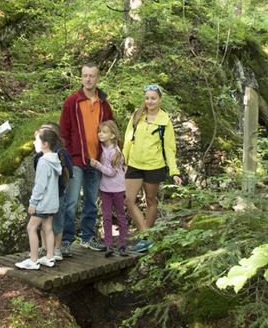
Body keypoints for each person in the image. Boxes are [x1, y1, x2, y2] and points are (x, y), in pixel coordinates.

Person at [60, 63, 113, 252]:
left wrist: (113, 156)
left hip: (96, 161)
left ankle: (87, 237)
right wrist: (64, 157)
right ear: (81, 77)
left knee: (91, 201)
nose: (88, 79)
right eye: (85, 76)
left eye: (92, 76)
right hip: (75, 160)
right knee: (71, 201)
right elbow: (63, 132)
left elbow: (111, 129)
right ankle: (65, 240)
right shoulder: (72, 102)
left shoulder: (104, 103)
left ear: (97, 78)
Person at [123, 84, 182, 253]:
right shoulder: (137, 115)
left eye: (153, 98)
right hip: (134, 164)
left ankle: (145, 238)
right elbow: (128, 139)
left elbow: (170, 148)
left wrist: (174, 171)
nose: (149, 101)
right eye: (147, 98)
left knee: (150, 200)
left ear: (159, 100)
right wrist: (123, 160)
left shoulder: (165, 121)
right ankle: (147, 235)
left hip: (155, 166)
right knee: (129, 200)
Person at [15, 126, 62, 271]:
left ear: (45, 143)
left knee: (31, 227)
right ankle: (49, 257)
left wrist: (33, 203)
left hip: (42, 203)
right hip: (52, 203)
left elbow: (40, 186)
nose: (34, 143)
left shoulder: (43, 161)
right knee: (48, 228)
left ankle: (33, 260)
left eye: (36, 140)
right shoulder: (55, 159)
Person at [34, 122, 73, 262]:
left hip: (58, 194)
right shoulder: (39, 156)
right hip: (46, 196)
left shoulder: (62, 154)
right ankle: (45, 247)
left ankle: (56, 248)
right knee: (44, 223)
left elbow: (70, 172)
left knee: (56, 222)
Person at [90, 120, 128, 257]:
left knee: (120, 216)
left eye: (104, 132)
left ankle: (122, 244)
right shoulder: (100, 148)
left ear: (112, 135)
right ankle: (108, 245)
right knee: (106, 217)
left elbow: (111, 172)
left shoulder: (116, 152)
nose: (100, 134)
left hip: (117, 188)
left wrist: (97, 165)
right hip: (105, 189)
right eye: (99, 131)